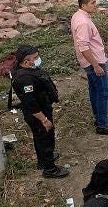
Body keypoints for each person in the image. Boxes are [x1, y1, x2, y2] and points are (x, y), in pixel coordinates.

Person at [10, 45, 69, 178]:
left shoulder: (28, 69)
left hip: (42, 109)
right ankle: (50, 169)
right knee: (45, 138)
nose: (38, 59)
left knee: (40, 137)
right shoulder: (25, 79)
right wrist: (44, 120)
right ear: (25, 61)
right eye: (35, 58)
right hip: (38, 114)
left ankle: (43, 160)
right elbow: (31, 104)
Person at [71, 0, 108, 135]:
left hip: (91, 61)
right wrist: (96, 65)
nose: (95, 4)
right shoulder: (83, 22)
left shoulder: (78, 16)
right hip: (94, 62)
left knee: (95, 90)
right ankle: (102, 125)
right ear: (83, 4)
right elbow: (84, 47)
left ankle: (100, 117)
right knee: (103, 92)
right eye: (92, 2)